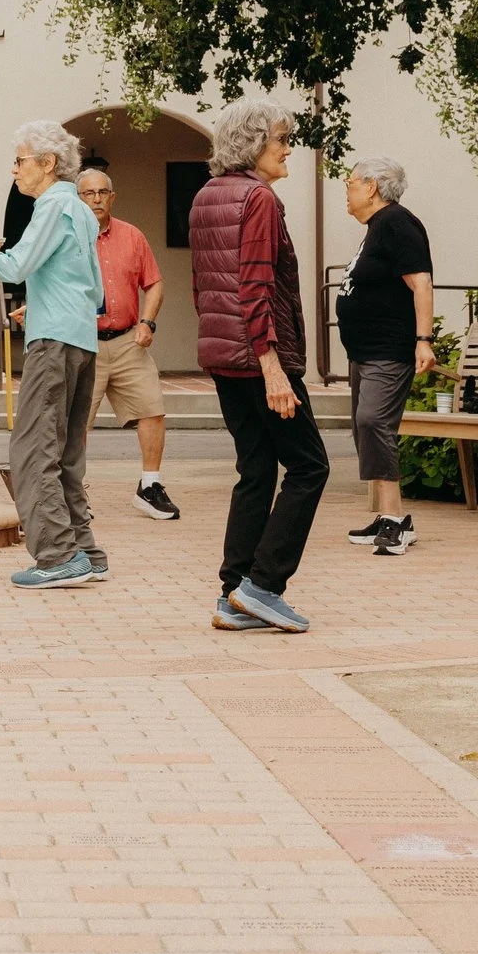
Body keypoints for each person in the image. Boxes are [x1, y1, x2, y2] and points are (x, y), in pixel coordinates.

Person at [0, 122, 109, 590]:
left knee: (33, 448)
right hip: (79, 339)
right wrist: (44, 302)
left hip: (53, 343)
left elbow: (15, 265)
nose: (14, 168)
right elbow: (93, 288)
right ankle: (86, 553)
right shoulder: (79, 210)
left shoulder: (53, 205)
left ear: (48, 164)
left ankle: (57, 557)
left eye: (20, 160)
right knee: (66, 451)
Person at [192, 97, 328, 634]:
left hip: (226, 356)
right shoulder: (259, 199)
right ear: (254, 143)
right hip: (261, 356)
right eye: (280, 139)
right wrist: (274, 369)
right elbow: (254, 286)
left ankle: (233, 594)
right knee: (310, 465)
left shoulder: (207, 195)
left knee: (256, 468)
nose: (288, 148)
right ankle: (263, 586)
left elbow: (205, 287)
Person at [336, 155, 435, 556]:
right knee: (365, 429)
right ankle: (386, 517)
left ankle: (395, 520)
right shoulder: (379, 227)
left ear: (371, 186)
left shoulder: (397, 222)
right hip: (365, 350)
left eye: (349, 182)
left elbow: (422, 284)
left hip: (387, 350)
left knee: (373, 420)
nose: (347, 190)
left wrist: (423, 339)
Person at [76, 168, 176, 520]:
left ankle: (150, 486)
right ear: (79, 198)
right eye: (89, 193)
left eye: (103, 192)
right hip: (82, 343)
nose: (97, 199)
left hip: (127, 341)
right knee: (77, 422)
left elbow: (155, 283)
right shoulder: (67, 237)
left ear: (112, 197)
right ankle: (75, 495)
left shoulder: (132, 236)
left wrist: (147, 322)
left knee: (152, 409)